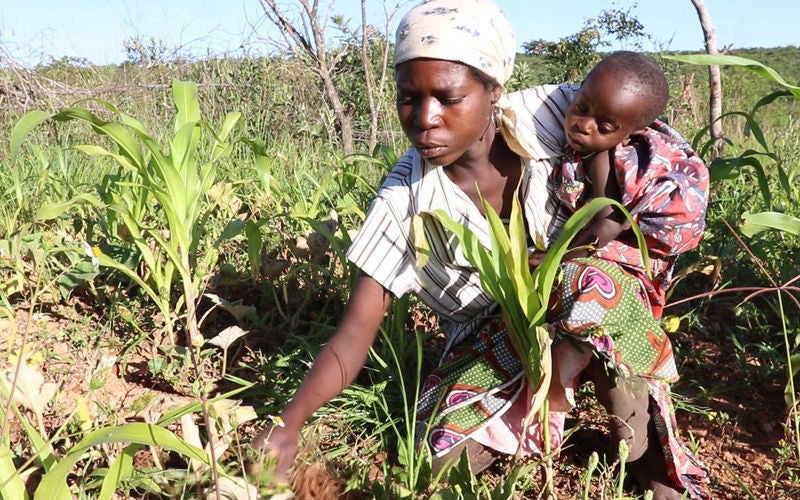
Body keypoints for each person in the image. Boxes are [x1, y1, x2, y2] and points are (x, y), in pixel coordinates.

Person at [252, 2, 711, 498]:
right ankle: (535, 413)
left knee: (589, 284)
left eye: (448, 98)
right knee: (435, 457)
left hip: (597, 304)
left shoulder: (560, 115)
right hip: (497, 339)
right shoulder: (404, 203)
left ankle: (646, 457)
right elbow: (353, 334)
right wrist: (289, 420)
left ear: (493, 90)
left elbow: (654, 164)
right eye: (409, 97)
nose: (425, 118)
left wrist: (589, 244)